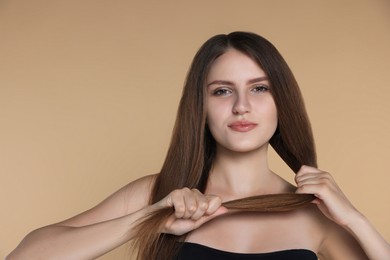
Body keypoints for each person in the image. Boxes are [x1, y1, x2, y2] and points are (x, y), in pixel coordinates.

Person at [7, 31, 390, 260]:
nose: (241, 105)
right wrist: (150, 218)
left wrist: (355, 220)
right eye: (222, 91)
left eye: (259, 88)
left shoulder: (315, 216)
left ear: (281, 102)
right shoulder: (158, 193)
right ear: (201, 107)